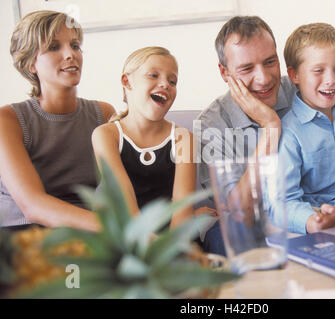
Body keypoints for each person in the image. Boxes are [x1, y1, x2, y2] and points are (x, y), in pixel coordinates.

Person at [0, 10, 115, 232]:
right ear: (30, 64)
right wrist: (115, 230)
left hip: (88, 233)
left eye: (75, 45)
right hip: (24, 233)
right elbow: (33, 205)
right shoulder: (8, 120)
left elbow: (124, 187)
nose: (70, 54)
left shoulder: (104, 114)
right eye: (54, 47)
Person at [196, 16, 297, 255]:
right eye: (247, 68)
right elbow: (241, 214)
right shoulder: (211, 124)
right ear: (225, 73)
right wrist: (271, 126)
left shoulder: (301, 92)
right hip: (251, 229)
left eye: (270, 62)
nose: (263, 79)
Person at [92, 47, 214, 230]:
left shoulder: (184, 139)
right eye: (153, 75)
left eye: (172, 81)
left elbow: (181, 211)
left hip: (170, 240)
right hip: (129, 236)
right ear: (127, 81)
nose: (165, 84)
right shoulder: (106, 135)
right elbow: (125, 205)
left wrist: (170, 247)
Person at [272, 22, 335, 234]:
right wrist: (312, 221)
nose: (331, 80)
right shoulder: (289, 132)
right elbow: (283, 201)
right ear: (294, 75)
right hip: (310, 214)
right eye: (318, 71)